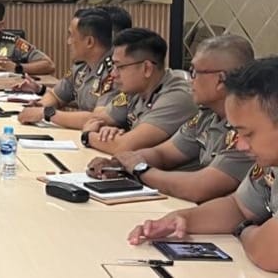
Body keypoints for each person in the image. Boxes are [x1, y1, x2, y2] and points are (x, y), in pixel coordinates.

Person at [127, 58, 278, 273]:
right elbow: (238, 207)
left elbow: (269, 252)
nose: (240, 145)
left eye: (248, 134)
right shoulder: (271, 162)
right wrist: (182, 218)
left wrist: (245, 230)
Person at [87, 35, 255, 202]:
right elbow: (163, 154)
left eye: (195, 72)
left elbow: (199, 188)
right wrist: (119, 164)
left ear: (221, 80)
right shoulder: (207, 115)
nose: (191, 81)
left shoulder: (248, 128)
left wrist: (140, 170)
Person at [80, 28, 196, 154]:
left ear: (147, 68)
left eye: (119, 67)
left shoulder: (177, 97)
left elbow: (123, 146)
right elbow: (97, 119)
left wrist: (88, 135)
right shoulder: (135, 90)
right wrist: (108, 130)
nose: (113, 74)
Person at [17, 9, 117, 129]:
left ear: (89, 42)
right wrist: (40, 106)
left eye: (71, 35)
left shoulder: (115, 72)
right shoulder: (81, 66)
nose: (68, 41)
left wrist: (47, 113)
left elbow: (98, 119)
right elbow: (56, 95)